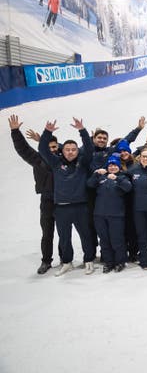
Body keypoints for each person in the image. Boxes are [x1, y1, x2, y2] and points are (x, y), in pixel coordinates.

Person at [38, 117, 95, 276]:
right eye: (67, 149)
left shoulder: (83, 163)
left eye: (73, 149)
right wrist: (47, 132)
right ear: (62, 151)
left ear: (78, 151)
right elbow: (42, 149)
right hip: (61, 208)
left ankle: (89, 260)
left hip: (81, 206)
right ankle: (67, 262)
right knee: (64, 237)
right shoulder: (56, 163)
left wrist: (82, 130)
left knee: (85, 235)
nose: (70, 152)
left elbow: (90, 149)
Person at [9, 115, 56, 274]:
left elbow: (73, 149)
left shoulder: (65, 159)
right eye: (49, 147)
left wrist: (43, 138)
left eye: (55, 147)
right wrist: (15, 132)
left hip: (65, 200)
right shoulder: (37, 160)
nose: (52, 150)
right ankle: (46, 261)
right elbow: (23, 149)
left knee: (65, 233)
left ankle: (66, 258)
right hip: (47, 200)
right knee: (47, 233)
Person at [86, 154, 132, 273]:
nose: (112, 167)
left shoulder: (123, 177)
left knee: (117, 239)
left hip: (116, 215)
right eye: (110, 165)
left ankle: (120, 261)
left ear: (119, 167)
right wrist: (96, 174)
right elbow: (90, 184)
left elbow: (128, 187)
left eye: (115, 165)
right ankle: (108, 262)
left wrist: (117, 178)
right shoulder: (101, 177)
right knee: (104, 240)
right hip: (100, 215)